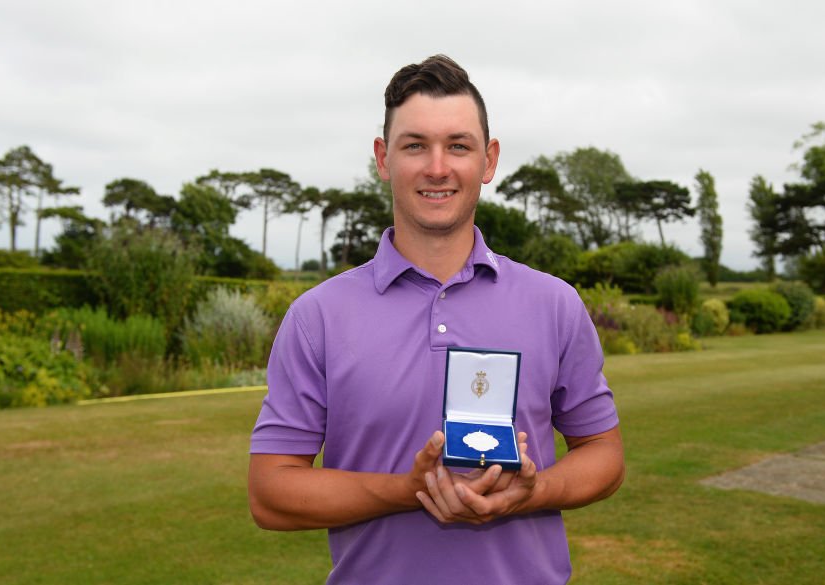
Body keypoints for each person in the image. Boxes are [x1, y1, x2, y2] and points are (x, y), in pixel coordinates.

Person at [248, 54, 624, 585]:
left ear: (489, 160)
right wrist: (410, 489)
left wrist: (533, 492)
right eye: (415, 145)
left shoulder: (554, 303)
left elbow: (604, 454)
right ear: (383, 158)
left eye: (459, 146)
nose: (438, 167)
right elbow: (270, 492)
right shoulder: (318, 316)